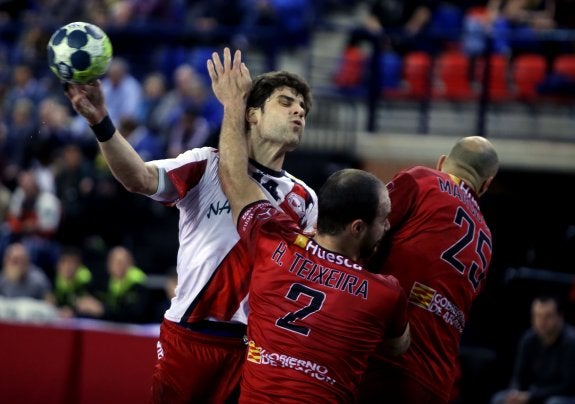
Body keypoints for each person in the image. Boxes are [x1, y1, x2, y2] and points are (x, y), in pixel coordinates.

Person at [63, 57, 318, 401]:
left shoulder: (305, 198)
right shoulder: (206, 163)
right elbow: (138, 177)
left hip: (254, 346)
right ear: (252, 114)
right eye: (286, 102)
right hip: (191, 334)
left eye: (302, 107)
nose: (299, 111)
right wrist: (100, 122)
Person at [209, 47, 410, 402]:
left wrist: (232, 105)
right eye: (384, 220)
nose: (387, 228)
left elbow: (233, 177)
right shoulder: (385, 293)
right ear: (357, 227)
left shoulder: (274, 246)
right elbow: (398, 346)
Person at [358, 135, 500, 403]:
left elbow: (362, 232)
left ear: (442, 162)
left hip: (381, 358)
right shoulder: (487, 239)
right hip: (438, 380)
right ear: (486, 184)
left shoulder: (423, 180)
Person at [491, 295, 575, 404]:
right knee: (500, 399)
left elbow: (568, 386)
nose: (542, 322)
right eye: (538, 316)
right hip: (534, 392)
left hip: (562, 395)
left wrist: (531, 396)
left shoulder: (571, 342)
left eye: (548, 316)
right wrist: (515, 393)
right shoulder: (528, 340)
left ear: (560, 317)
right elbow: (519, 377)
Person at [73, 245, 149, 324]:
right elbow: (90, 303)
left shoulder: (138, 284)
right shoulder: (102, 282)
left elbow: (134, 315)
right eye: (114, 261)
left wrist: (103, 310)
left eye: (122, 262)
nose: (118, 265)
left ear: (131, 264)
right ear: (108, 264)